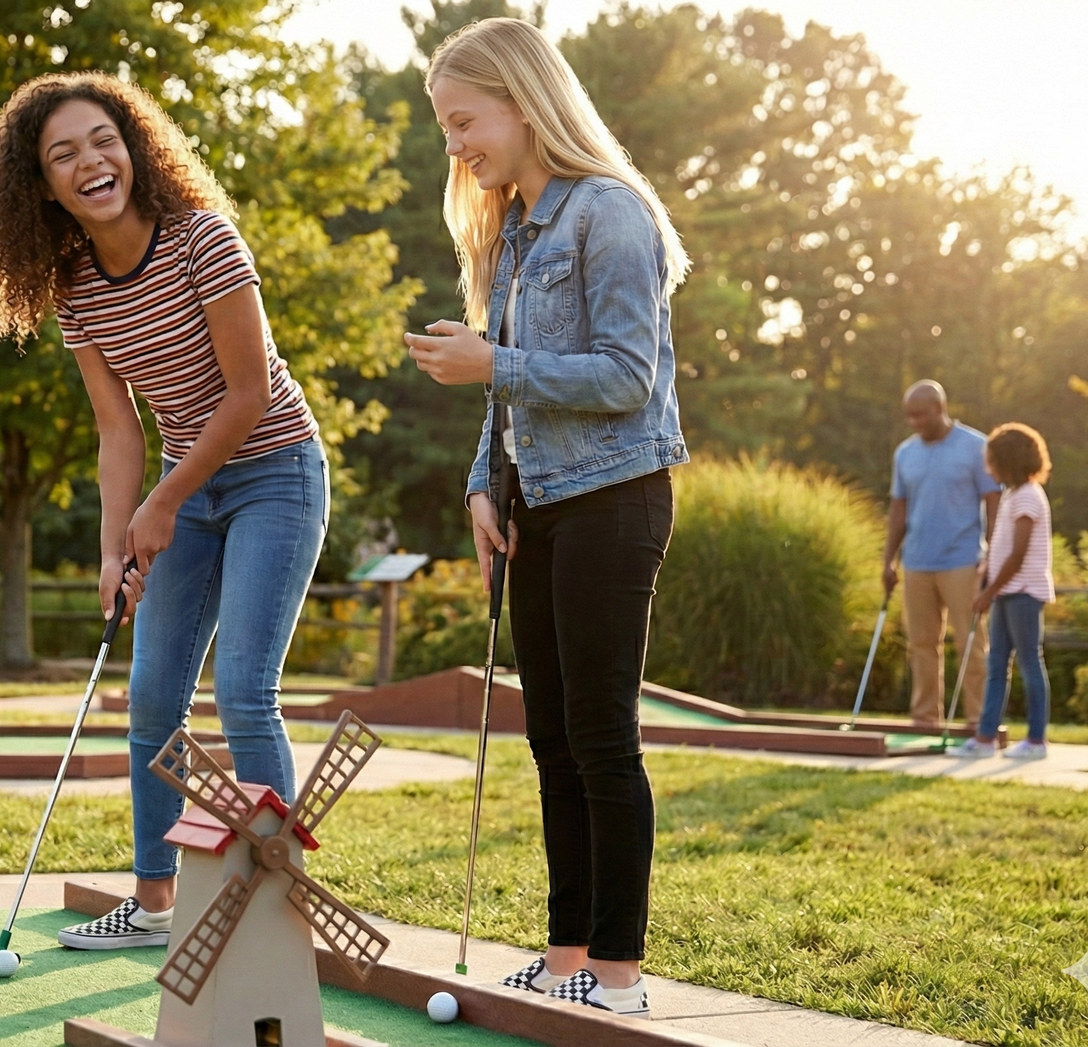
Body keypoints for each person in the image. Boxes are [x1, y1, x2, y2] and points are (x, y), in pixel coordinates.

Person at [0, 72, 328, 952]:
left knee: (244, 692)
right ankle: (154, 903)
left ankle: (280, 908)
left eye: (102, 140)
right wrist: (111, 549)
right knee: (154, 699)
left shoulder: (205, 240)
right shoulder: (75, 287)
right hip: (185, 488)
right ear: (42, 187)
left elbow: (246, 395)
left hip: (274, 472)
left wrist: (163, 503)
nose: (90, 161)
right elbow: (116, 428)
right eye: (63, 155)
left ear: (133, 147)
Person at [401, 18, 692, 1018]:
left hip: (616, 499)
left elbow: (625, 377)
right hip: (540, 506)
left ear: (523, 102)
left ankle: (620, 972)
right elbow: (507, 401)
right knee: (552, 742)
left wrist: (495, 363)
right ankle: (567, 954)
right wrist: (488, 485)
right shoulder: (513, 231)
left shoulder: (607, 213)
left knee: (604, 737)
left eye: (463, 121)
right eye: (447, 129)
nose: (457, 147)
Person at [880, 380, 1000, 730]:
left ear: (939, 408)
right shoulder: (905, 453)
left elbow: (994, 504)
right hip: (916, 562)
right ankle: (925, 720)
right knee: (920, 645)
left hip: (963, 561)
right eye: (909, 416)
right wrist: (888, 559)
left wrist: (991, 557)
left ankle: (979, 723)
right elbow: (898, 511)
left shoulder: (977, 447)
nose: (914, 422)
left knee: (972, 645)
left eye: (919, 415)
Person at [953, 424, 1055, 759]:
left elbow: (1019, 554)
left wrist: (988, 592)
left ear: (1007, 461)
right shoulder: (1012, 495)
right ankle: (985, 739)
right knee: (996, 664)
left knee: (1029, 663)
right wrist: (987, 573)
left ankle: (1036, 741)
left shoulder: (1027, 496)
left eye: (992, 460)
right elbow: (1001, 549)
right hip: (1005, 592)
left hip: (1023, 593)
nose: (987, 466)